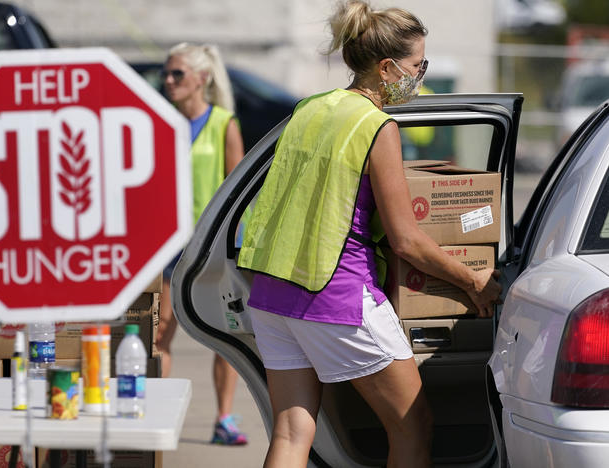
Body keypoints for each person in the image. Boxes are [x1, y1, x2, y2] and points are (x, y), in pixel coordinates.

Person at [236, 1, 502, 467]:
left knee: (293, 430)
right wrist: (474, 280)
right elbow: (407, 240)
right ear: (387, 68)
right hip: (336, 295)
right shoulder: (377, 126)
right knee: (412, 426)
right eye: (418, 65)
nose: (420, 75)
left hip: (273, 292)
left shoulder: (311, 109)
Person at [155, 42, 248, 446]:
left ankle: (224, 419)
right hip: (168, 249)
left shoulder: (224, 123)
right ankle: (156, 415)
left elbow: (239, 191)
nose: (168, 81)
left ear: (202, 79)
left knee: (226, 336)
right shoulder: (159, 122)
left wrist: (235, 249)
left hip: (210, 250)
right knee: (158, 335)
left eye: (177, 74)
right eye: (167, 73)